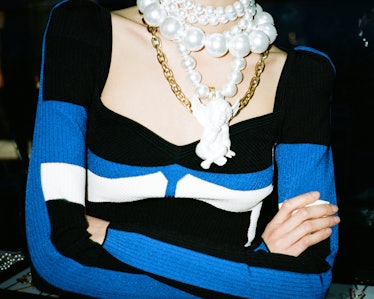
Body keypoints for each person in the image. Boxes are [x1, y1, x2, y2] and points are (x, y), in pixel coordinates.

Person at [25, 0, 340, 298]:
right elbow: (54, 256)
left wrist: (109, 234)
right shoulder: (81, 29)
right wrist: (256, 273)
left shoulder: (304, 75)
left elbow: (309, 280)